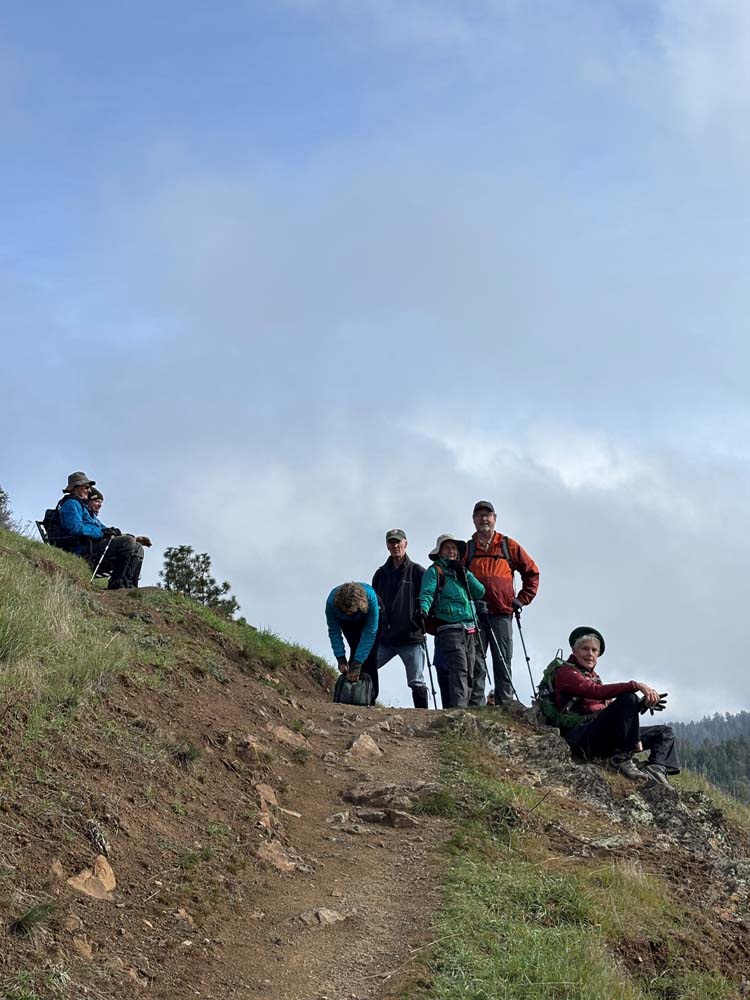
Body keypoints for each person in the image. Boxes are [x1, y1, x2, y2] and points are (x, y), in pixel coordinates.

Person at [553, 626, 680, 786]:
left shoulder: (593, 677)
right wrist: (636, 685)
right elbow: (596, 691)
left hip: (602, 733)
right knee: (628, 697)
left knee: (664, 732)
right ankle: (621, 759)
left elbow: (612, 708)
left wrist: (641, 704)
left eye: (594, 650)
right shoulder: (566, 673)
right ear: (574, 650)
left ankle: (655, 771)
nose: (590, 654)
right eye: (585, 648)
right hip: (580, 736)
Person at [466, 500, 539, 708]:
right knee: (476, 661)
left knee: (503, 660)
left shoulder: (508, 545)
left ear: (494, 518)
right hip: (475, 614)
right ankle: (476, 706)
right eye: (479, 515)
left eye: (487, 515)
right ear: (473, 520)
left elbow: (532, 572)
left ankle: (504, 704)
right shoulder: (468, 548)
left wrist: (522, 599)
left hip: (502, 613)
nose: (483, 519)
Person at [417, 534, 486, 709]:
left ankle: (464, 709)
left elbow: (480, 592)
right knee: (459, 669)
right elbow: (427, 593)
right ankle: (459, 711)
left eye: (454, 548)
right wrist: (423, 610)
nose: (451, 551)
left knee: (470, 670)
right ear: (439, 552)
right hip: (449, 628)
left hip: (470, 627)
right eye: (447, 548)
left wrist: (465, 574)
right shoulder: (435, 571)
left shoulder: (461, 572)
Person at [56, 472, 149, 590]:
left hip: (92, 544)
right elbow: (76, 528)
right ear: (76, 487)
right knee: (127, 542)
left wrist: (118, 533)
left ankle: (129, 585)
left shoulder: (84, 508)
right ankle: (116, 583)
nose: (89, 490)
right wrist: (102, 533)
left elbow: (102, 528)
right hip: (82, 547)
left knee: (138, 547)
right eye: (86, 487)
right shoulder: (71, 504)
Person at [371, 529, 429, 709]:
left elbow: (429, 597)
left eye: (398, 542)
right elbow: (373, 604)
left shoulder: (418, 571)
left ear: (405, 544)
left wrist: (422, 617)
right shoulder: (380, 574)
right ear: (387, 546)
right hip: (385, 638)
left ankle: (423, 717)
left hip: (411, 636)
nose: (395, 545)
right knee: (367, 668)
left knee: (417, 681)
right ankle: (365, 706)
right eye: (392, 542)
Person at [325, 582, 382, 705]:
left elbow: (370, 632)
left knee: (369, 655)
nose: (349, 614)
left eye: (350, 612)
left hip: (369, 613)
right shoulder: (331, 603)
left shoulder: (371, 598)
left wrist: (357, 663)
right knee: (355, 648)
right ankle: (350, 696)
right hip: (346, 618)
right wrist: (340, 658)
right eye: (347, 612)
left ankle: (370, 698)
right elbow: (334, 631)